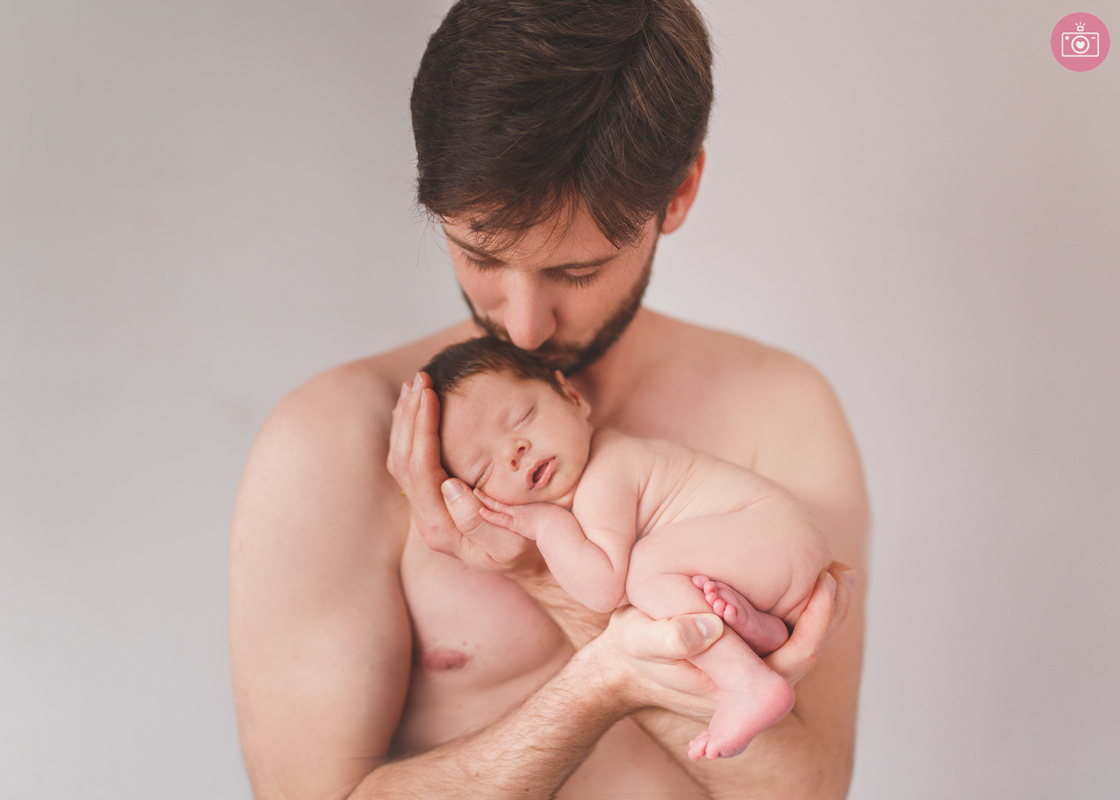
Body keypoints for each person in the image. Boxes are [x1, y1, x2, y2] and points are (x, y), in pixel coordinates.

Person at [229, 1, 868, 797]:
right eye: (479, 255)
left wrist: (553, 586)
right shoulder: (332, 439)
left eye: (576, 272)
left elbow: (804, 792)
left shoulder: (783, 411)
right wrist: (600, 683)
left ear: (679, 194)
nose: (524, 329)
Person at [422, 336, 832, 761]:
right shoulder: (602, 474)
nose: (514, 451)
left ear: (572, 396)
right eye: (483, 469)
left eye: (523, 417)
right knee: (659, 582)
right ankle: (760, 629)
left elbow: (602, 591)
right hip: (773, 553)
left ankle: (748, 683)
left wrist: (545, 523)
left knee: (643, 573)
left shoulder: (607, 469)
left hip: (770, 534)